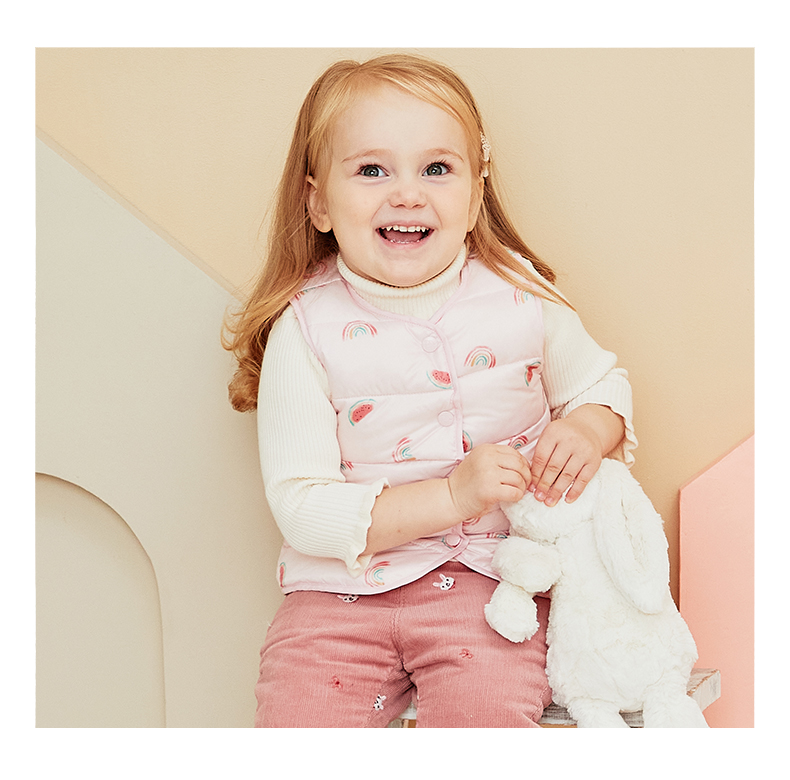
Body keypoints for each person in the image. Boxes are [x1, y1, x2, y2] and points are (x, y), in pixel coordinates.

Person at [223, 53, 636, 728]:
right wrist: (450, 498)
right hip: (336, 599)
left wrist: (588, 428)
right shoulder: (304, 326)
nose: (408, 194)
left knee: (487, 713)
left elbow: (603, 383)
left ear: (474, 196)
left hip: (489, 584)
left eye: (436, 169)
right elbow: (301, 506)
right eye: (372, 170)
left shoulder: (519, 292)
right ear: (318, 202)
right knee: (299, 720)